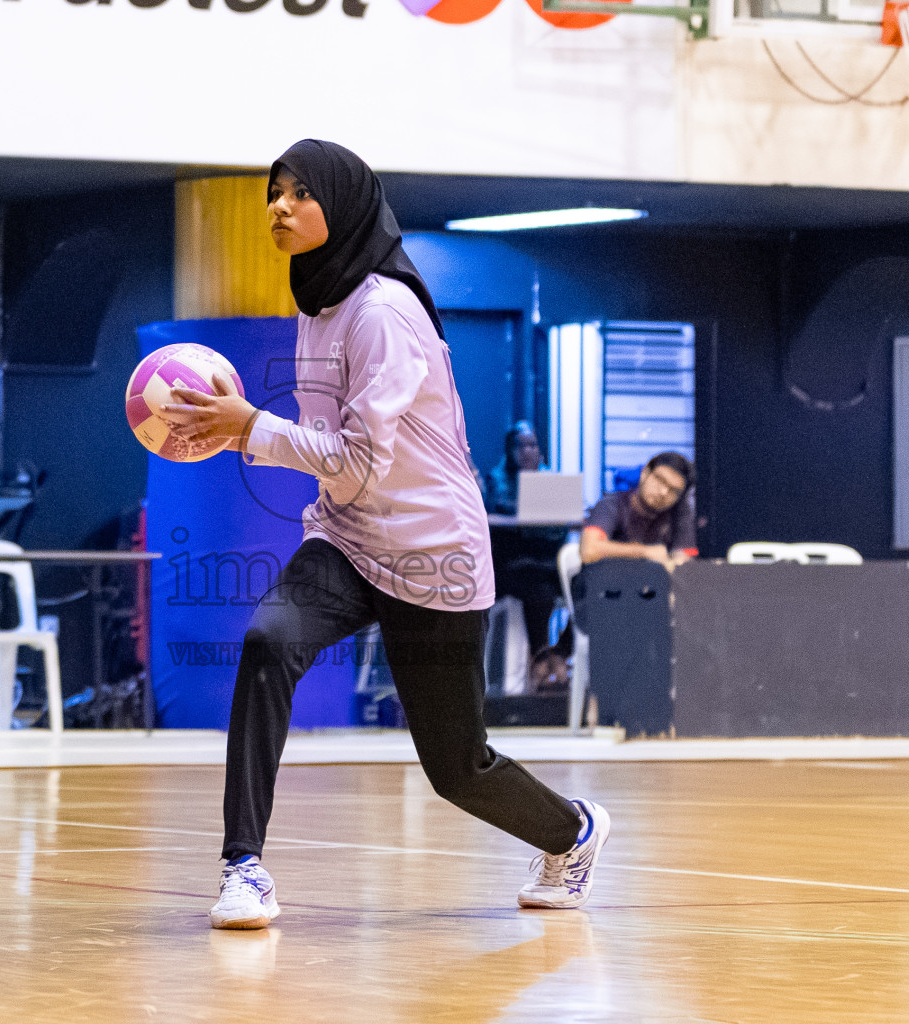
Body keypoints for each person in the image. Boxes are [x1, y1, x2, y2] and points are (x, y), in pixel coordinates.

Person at [159, 139, 609, 931]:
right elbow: (341, 465)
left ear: (346, 206)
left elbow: (359, 463)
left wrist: (247, 429)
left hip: (435, 553)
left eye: (300, 193)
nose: (278, 206)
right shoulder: (319, 303)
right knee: (269, 642)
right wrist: (247, 427)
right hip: (348, 538)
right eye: (274, 191)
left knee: (458, 770)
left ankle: (573, 833)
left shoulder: (383, 312)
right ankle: (243, 868)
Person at [484, 422, 570, 680]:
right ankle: (541, 657)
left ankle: (552, 655)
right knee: (538, 589)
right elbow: (492, 515)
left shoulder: (551, 480)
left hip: (543, 562)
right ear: (509, 450)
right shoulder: (496, 479)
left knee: (572, 588)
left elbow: (560, 527)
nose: (527, 451)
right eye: (520, 445)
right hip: (509, 564)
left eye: (532, 444)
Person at [579, 451, 698, 568]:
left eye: (674, 490)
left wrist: (679, 560)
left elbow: (686, 560)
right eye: (660, 480)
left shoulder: (679, 513)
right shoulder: (612, 504)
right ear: (645, 473)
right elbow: (589, 551)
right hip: (608, 582)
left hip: (654, 584)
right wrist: (644, 552)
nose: (663, 492)